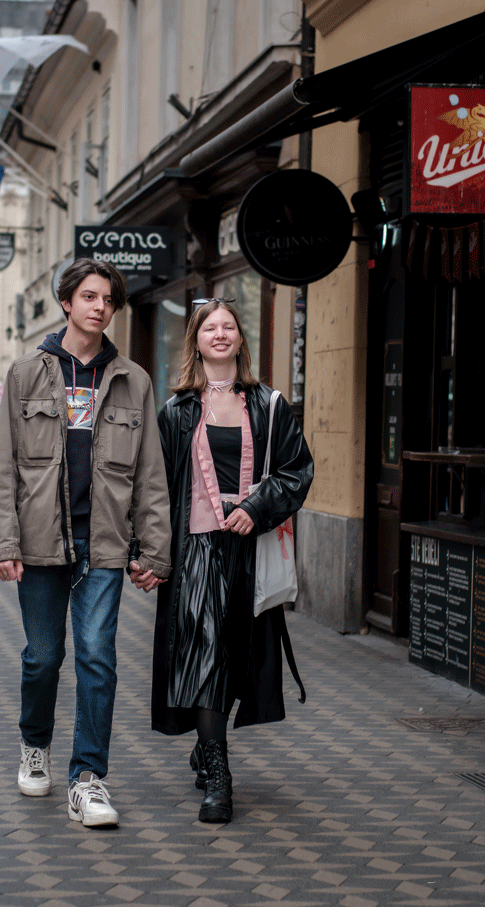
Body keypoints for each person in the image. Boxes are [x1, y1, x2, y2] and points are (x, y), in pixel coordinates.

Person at [0, 258, 171, 828]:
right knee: (44, 658)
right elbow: (5, 469)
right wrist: (4, 542)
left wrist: (156, 550)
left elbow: (151, 474)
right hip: (41, 541)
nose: (100, 306)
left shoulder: (133, 380)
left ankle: (88, 779)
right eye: (89, 296)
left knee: (97, 657)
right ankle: (34, 746)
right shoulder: (26, 375)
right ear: (66, 302)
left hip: (104, 543)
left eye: (108, 299)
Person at [153, 299, 314, 824]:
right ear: (196, 340)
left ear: (241, 339)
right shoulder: (176, 411)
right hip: (195, 552)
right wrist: (147, 552)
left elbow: (297, 470)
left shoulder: (268, 404)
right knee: (205, 654)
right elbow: (154, 491)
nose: (220, 334)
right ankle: (219, 775)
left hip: (246, 550)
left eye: (229, 327)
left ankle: (207, 744)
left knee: (234, 654)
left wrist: (256, 507)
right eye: (209, 328)